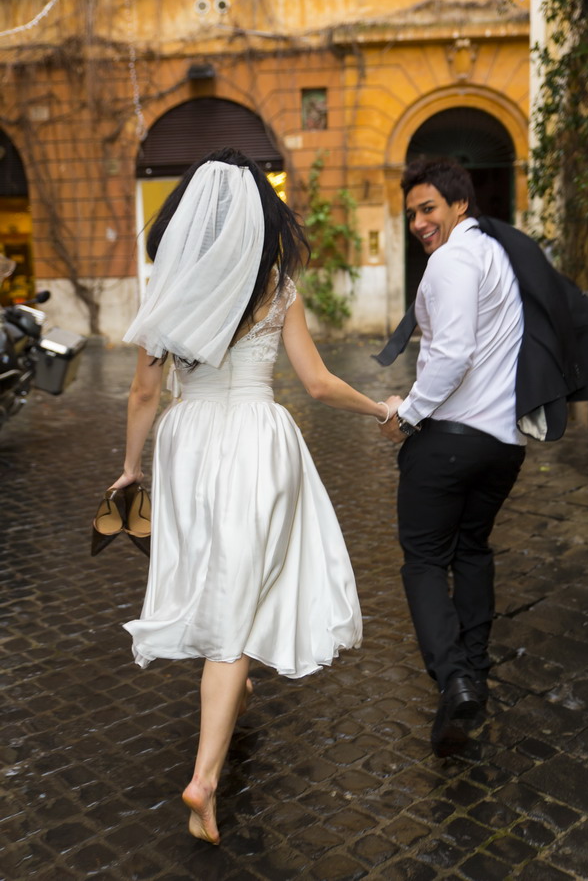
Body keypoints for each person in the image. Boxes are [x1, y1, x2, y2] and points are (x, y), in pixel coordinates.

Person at [103, 148, 391, 843]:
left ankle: (232, 681)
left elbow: (145, 391)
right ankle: (204, 779)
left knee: (221, 570)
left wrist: (130, 467)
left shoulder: (172, 285)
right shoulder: (277, 284)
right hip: (259, 441)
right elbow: (319, 384)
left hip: (189, 443)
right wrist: (383, 410)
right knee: (243, 583)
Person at [378, 157, 527, 758]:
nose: (418, 222)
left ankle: (454, 675)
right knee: (471, 552)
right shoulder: (498, 258)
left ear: (459, 206)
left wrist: (408, 413)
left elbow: (454, 352)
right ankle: (472, 682)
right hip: (503, 446)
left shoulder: (452, 260)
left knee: (421, 561)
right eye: (411, 212)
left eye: (428, 208)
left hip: (449, 441)